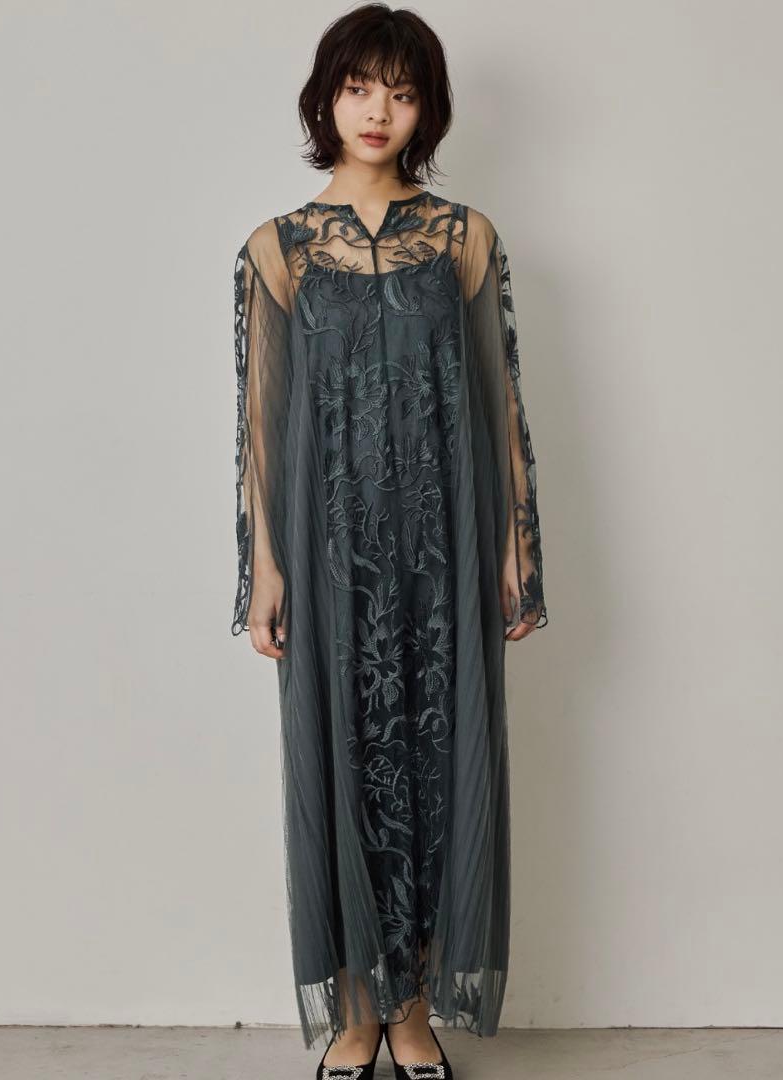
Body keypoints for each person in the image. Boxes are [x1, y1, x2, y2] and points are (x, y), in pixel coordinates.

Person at [230, 5, 548, 1077]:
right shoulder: (276, 248)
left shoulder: (464, 238)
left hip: (444, 546)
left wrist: (515, 547)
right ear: (326, 98)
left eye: (403, 93)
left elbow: (501, 400)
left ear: (429, 111)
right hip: (326, 553)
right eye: (360, 86)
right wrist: (265, 567)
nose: (379, 110)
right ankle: (357, 1012)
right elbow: (262, 422)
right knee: (339, 762)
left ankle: (412, 1012)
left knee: (438, 763)